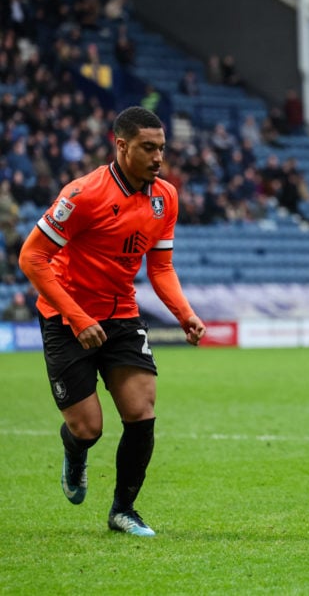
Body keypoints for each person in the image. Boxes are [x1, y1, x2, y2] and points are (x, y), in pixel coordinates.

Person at [18, 106, 206, 537]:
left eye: (162, 148)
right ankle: (75, 449)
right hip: (67, 315)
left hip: (121, 311)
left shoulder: (166, 196)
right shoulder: (82, 195)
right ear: (120, 145)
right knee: (89, 428)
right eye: (148, 148)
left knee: (141, 411)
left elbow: (160, 268)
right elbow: (32, 257)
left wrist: (185, 314)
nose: (158, 158)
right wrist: (77, 316)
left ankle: (123, 510)